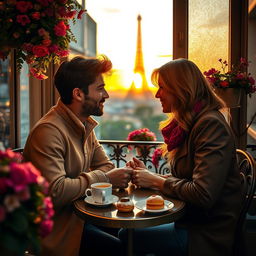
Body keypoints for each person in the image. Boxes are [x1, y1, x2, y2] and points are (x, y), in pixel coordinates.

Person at [120, 58, 243, 256]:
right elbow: (190, 182)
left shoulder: (209, 125)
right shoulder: (194, 123)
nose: (157, 94)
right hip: (191, 223)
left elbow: (202, 194)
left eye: (162, 88)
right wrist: (150, 176)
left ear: (181, 89)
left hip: (206, 235)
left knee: (127, 237)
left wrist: (156, 181)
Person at [23, 55, 132, 256]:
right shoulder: (48, 131)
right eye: (100, 88)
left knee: (128, 236)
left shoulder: (83, 124)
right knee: (117, 247)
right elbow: (56, 191)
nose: (106, 94)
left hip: (80, 219)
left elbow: (106, 165)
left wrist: (98, 178)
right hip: (56, 233)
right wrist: (105, 179)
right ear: (78, 94)